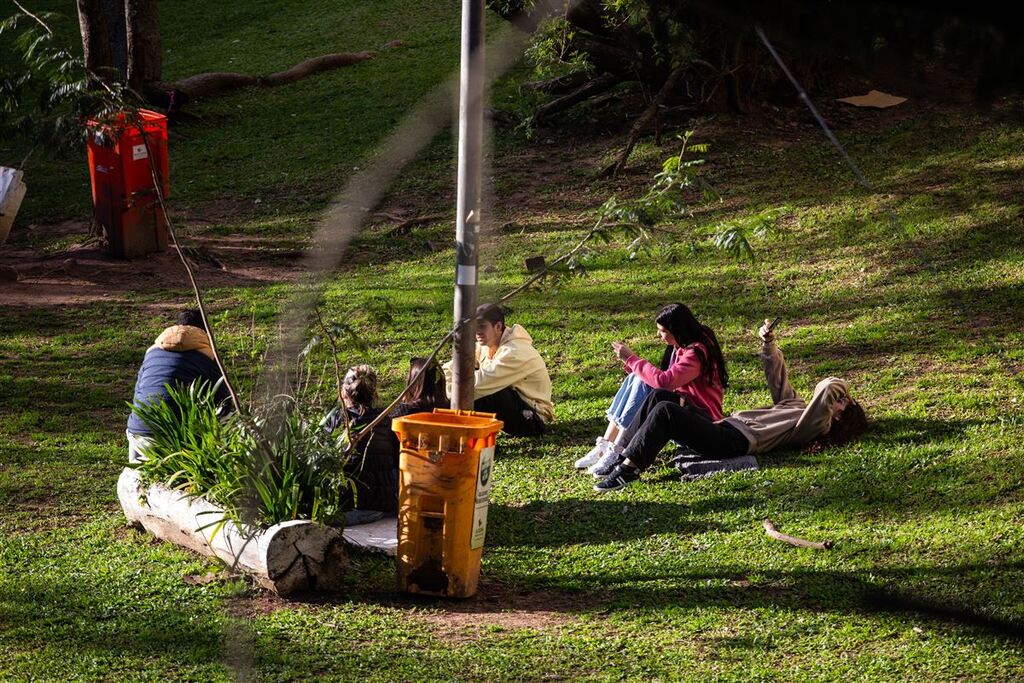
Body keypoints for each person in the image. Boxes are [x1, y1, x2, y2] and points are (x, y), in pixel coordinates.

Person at [592, 318, 868, 492]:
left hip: (734, 441)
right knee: (660, 397)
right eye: (841, 399)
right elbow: (777, 375)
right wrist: (768, 344)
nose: (837, 400)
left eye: (842, 403)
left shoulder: (814, 426)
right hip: (723, 427)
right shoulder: (796, 406)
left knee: (667, 412)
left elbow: (828, 388)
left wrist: (843, 394)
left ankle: (629, 469)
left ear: (839, 419)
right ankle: (620, 454)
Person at [577, 303, 729, 475]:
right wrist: (634, 366)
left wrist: (632, 360)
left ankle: (616, 451)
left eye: (663, 331)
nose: (659, 335)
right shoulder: (682, 346)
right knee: (637, 377)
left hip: (699, 422)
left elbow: (664, 382)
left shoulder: (696, 353)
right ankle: (606, 446)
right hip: (682, 410)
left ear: (677, 329)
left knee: (643, 379)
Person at [126, 309, 232, 463]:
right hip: (174, 439)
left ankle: (132, 471)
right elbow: (225, 403)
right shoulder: (206, 357)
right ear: (206, 332)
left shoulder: (152, 353)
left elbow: (138, 394)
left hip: (138, 434)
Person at [443, 303, 553, 437]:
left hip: (531, 419)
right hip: (512, 408)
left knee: (487, 391)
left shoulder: (514, 352)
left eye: (482, 326)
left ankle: (468, 437)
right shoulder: (485, 346)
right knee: (471, 380)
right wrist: (440, 380)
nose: (477, 331)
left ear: (498, 327)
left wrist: (447, 392)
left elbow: (481, 383)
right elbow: (455, 365)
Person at [324, 365, 400, 522]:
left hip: (347, 509)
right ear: (374, 392)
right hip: (383, 506)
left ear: (344, 391)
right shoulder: (386, 421)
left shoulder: (336, 420)